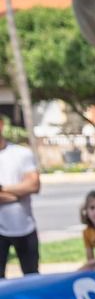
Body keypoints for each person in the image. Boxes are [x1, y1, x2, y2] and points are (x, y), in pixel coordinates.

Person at [0, 119, 41, 278]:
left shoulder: (21, 153)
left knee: (32, 276)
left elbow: (34, 186)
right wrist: (18, 193)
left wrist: (2, 188)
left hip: (25, 226)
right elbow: (27, 186)